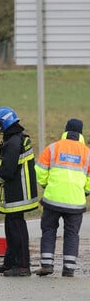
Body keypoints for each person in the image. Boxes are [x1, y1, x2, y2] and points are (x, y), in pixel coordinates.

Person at [0, 107, 40, 277]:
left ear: (4, 124)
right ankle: (10, 262)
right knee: (11, 228)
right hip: (18, 192)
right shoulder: (17, 139)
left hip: (18, 193)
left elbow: (7, 171)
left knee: (16, 230)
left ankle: (23, 265)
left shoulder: (13, 142)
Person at [34, 118, 90, 277]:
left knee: (49, 230)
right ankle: (69, 268)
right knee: (72, 234)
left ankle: (46, 264)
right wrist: (84, 191)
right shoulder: (87, 152)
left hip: (53, 199)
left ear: (66, 130)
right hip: (76, 202)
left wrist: (48, 186)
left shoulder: (53, 148)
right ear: (80, 133)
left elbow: (40, 173)